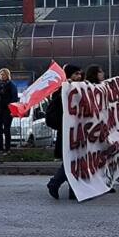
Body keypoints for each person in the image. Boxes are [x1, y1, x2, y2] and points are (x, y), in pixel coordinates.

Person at [45, 64, 83, 200]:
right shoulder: (62, 91)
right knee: (71, 161)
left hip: (77, 132)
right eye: (76, 74)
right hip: (67, 132)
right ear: (69, 76)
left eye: (80, 74)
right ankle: (55, 183)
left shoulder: (79, 89)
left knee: (75, 161)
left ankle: (72, 190)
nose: (79, 77)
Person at [0, 68, 18, 154]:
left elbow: (14, 97)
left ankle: (7, 148)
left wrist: (12, 109)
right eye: (1, 74)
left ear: (7, 75)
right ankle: (0, 148)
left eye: (4, 74)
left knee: (6, 129)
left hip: (7, 109)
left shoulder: (11, 85)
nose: (2, 76)